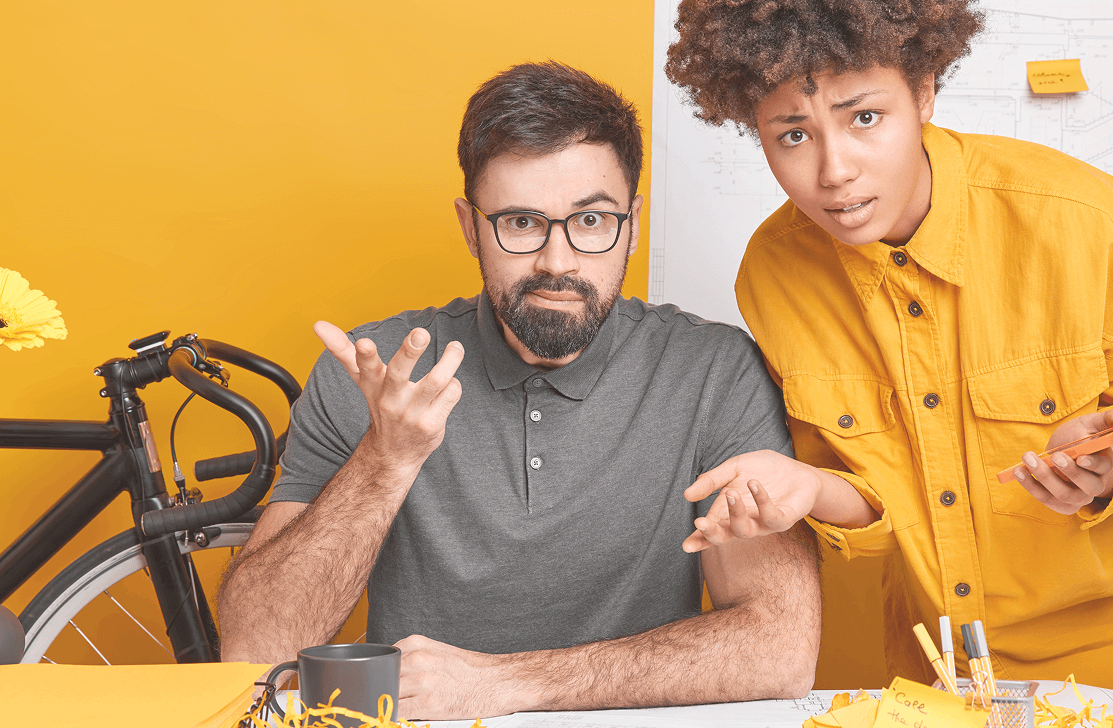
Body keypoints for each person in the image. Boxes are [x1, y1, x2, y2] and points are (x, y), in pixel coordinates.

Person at [216, 61, 820, 719]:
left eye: (592, 223)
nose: (558, 262)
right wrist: (384, 461)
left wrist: (504, 685)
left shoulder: (714, 373)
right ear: (471, 227)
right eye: (522, 223)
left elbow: (780, 647)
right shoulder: (373, 372)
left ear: (633, 224)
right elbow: (255, 650)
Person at [663, 0, 1113, 689]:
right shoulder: (773, 275)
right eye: (791, 135)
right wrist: (807, 487)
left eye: (864, 118)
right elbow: (875, 496)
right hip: (939, 667)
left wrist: (1107, 465)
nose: (833, 169)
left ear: (924, 92)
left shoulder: (1077, 214)